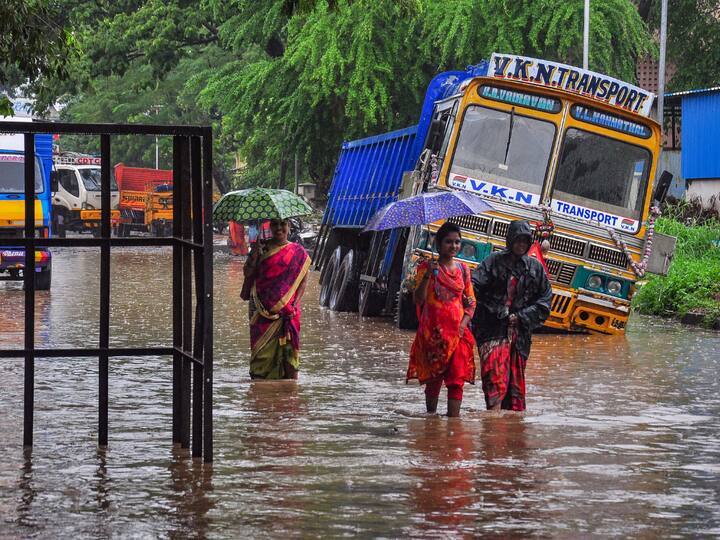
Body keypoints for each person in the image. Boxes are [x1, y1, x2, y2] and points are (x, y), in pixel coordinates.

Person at [471, 220, 551, 411]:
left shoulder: (535, 268)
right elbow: (473, 289)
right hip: (492, 331)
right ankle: (492, 423)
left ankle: (507, 430)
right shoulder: (492, 262)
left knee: (515, 387)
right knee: (494, 378)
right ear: (509, 240)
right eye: (517, 240)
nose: (521, 245)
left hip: (520, 336)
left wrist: (521, 317)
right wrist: (496, 311)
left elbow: (545, 302)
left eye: (525, 241)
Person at [407, 222, 476, 417]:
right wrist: (428, 274)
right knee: (433, 380)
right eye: (448, 242)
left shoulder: (464, 270)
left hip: (458, 336)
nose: (453, 246)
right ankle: (432, 423)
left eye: (457, 242)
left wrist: (463, 326)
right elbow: (418, 299)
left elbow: (470, 303)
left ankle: (453, 427)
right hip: (433, 336)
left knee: (456, 381)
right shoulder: (425, 268)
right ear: (438, 244)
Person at [240, 218, 310, 379]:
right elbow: (247, 273)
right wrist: (255, 254)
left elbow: (303, 281)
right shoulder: (261, 248)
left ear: (289, 226)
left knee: (290, 356)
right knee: (261, 354)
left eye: (283, 224)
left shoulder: (298, 252)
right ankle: (260, 393)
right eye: (275, 224)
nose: (279, 228)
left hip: (289, 311)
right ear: (270, 226)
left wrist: (294, 303)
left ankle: (288, 395)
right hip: (261, 309)